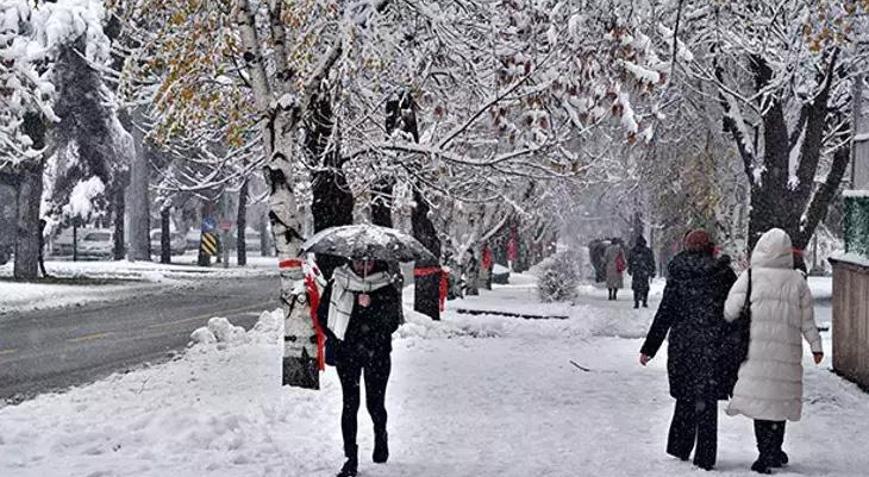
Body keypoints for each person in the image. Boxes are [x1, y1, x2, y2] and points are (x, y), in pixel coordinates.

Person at [722, 228, 823, 474]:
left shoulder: (750, 277)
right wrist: (816, 346)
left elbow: (730, 311)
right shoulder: (797, 281)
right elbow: (807, 320)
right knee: (779, 402)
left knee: (761, 404)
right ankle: (775, 450)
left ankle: (764, 452)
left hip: (755, 351)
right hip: (786, 353)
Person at [639, 229, 737, 471]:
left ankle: (680, 446)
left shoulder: (679, 273)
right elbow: (735, 312)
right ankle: (705, 456)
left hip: (684, 346)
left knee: (685, 397)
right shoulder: (722, 274)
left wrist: (649, 348)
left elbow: (666, 312)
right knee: (707, 402)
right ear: (710, 247)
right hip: (712, 347)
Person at [318, 259, 402, 477]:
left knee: (375, 403)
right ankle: (350, 459)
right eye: (356, 260)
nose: (361, 264)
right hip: (348, 354)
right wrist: (337, 337)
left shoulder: (385, 286)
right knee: (350, 404)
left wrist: (371, 305)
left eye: (367, 260)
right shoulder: (338, 283)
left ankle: (380, 434)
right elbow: (322, 315)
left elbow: (392, 322)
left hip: (377, 354)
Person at [627, 236, 655, 308]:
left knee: (636, 287)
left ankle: (636, 302)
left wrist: (630, 269)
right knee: (645, 286)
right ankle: (644, 301)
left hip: (636, 271)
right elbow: (651, 262)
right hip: (645, 271)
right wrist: (652, 271)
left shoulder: (633, 250)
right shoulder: (648, 251)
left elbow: (630, 261)